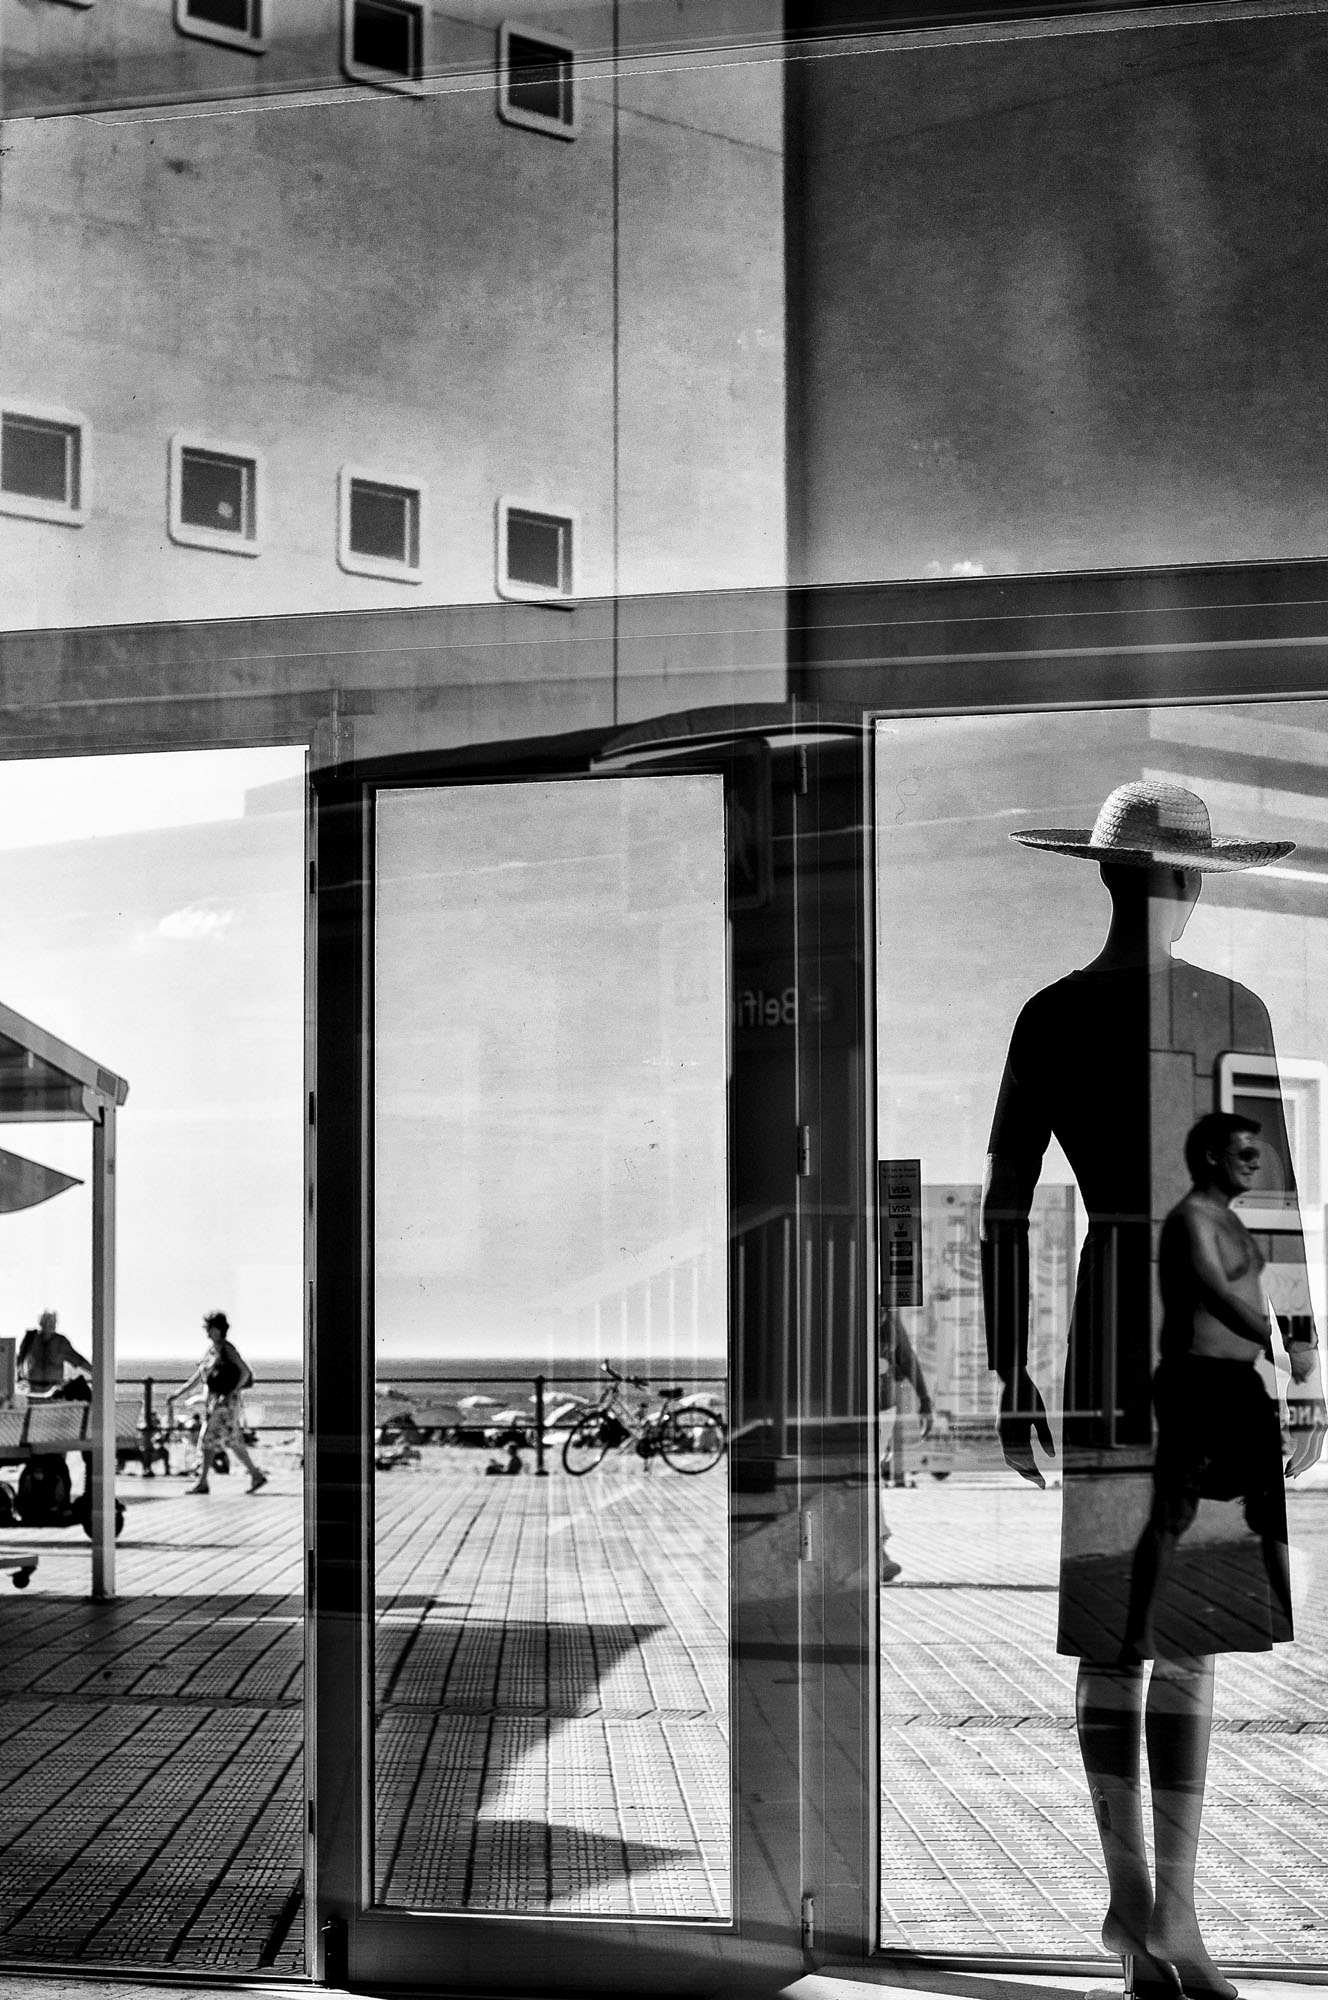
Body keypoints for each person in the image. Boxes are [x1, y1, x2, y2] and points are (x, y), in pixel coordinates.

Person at [981, 781, 1325, 2000]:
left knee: (1123, 1626)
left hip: (1111, 1316)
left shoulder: (1054, 1010)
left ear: (1108, 872)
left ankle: (1139, 1903)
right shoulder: (1226, 1005)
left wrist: (1006, 1362)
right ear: (1185, 878)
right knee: (1174, 1633)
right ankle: (1160, 1906)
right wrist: (1301, 1352)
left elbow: (1007, 1199)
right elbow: (1265, 1198)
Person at [1121, 1114, 1298, 1666]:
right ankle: (1135, 1637)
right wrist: (1276, 1341)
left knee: (1270, 1506)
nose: (1256, 1162)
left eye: (1256, 1153)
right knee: (1174, 1512)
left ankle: (1292, 1618)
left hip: (1240, 1383)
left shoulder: (1228, 1217)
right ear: (1211, 1158)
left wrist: (1287, 1341)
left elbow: (1250, 1294)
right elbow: (1216, 1294)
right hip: (1195, 1382)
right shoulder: (1190, 1219)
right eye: (1244, 1153)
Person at [178, 1311, 267, 1495]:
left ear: (219, 1329)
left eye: (210, 1328)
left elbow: (245, 1372)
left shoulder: (227, 1349)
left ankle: (203, 1482)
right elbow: (199, 1376)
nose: (208, 1331)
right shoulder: (212, 1351)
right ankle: (255, 1475)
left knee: (208, 1440)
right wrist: (178, 1393)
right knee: (232, 1441)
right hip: (216, 1402)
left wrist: (232, 1391)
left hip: (225, 1403)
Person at [879, 1305, 933, 1583]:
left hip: (881, 1409)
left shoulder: (887, 1310)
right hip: (853, 1408)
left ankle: (876, 1551)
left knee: (867, 1479)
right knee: (865, 1479)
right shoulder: (857, 1302)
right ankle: (876, 1551)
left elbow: (905, 1354)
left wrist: (925, 1399)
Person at [17, 1310, 91, 1394]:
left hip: (54, 1391)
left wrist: (96, 1373)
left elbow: (79, 1360)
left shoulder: (61, 1342)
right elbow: (19, 1360)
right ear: (41, 1323)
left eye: (52, 1322)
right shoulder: (30, 1338)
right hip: (30, 1390)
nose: (49, 1325)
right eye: (47, 1322)